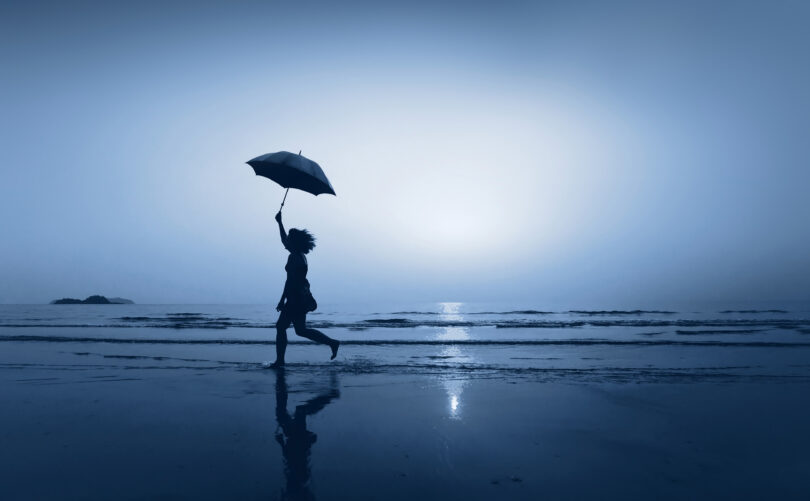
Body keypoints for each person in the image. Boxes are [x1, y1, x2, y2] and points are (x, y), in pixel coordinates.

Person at [271, 211, 339, 367]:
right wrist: (279, 222)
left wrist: (283, 300)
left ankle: (280, 361)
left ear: (294, 243)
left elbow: (291, 281)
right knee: (300, 330)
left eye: (290, 239)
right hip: (300, 296)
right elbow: (284, 241)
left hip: (296, 297)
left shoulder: (295, 257)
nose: (287, 240)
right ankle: (332, 343)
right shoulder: (299, 255)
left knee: (281, 327)